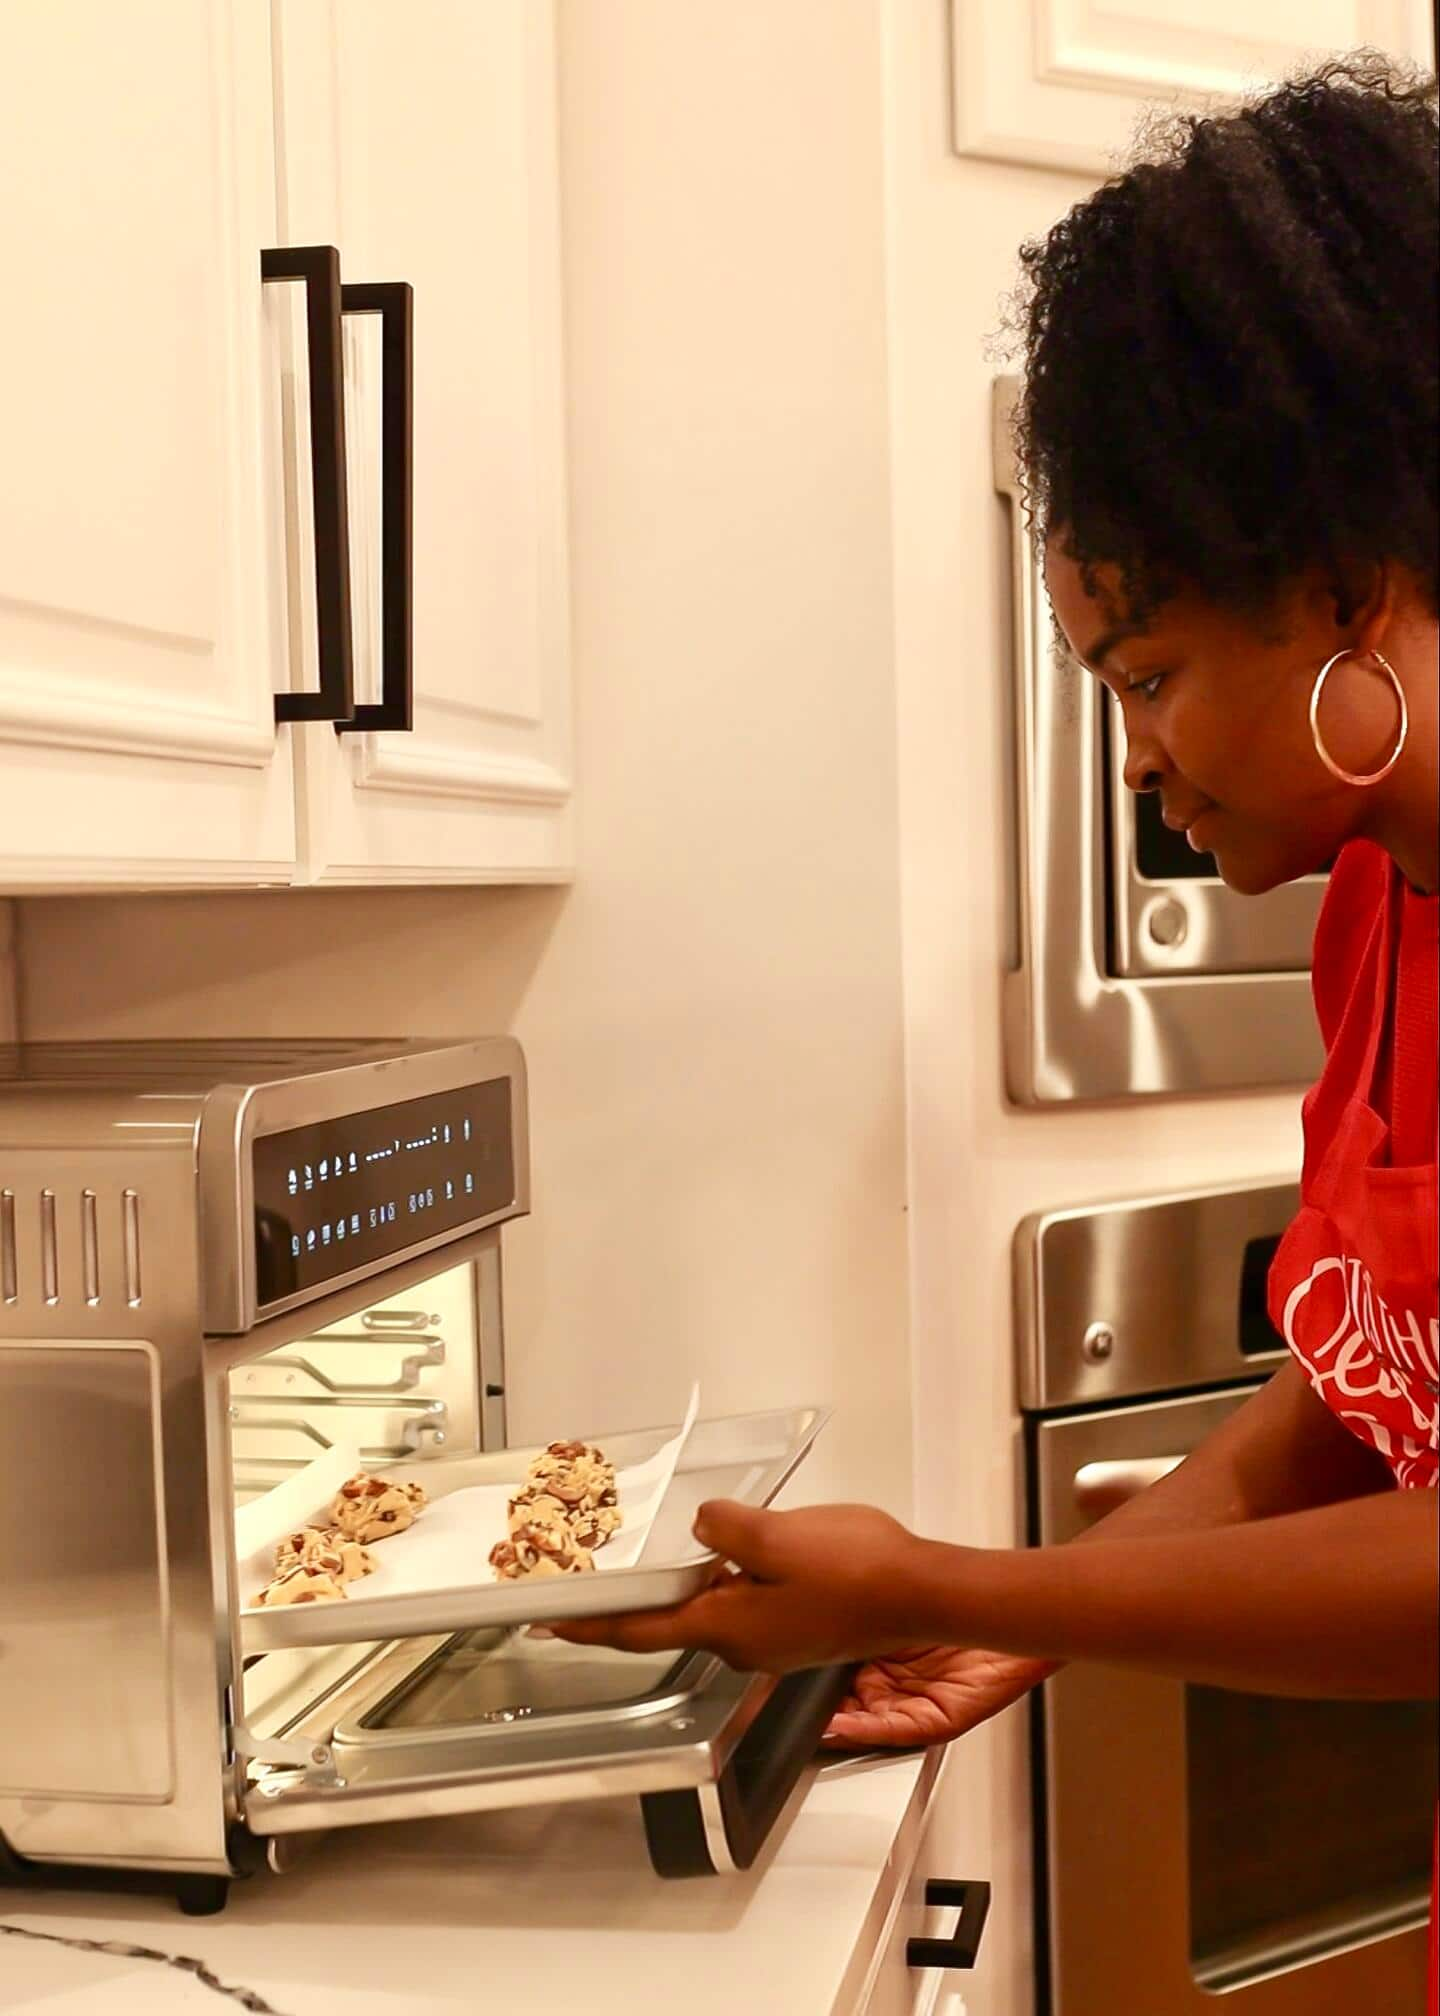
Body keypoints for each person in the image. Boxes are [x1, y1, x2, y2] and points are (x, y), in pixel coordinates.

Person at [557, 47, 1438, 1983]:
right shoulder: (1380, 911)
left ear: (1351, 596)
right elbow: (1362, 1410)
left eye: (1151, 672)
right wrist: (1024, 1618)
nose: (1139, 762)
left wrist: (956, 1576)